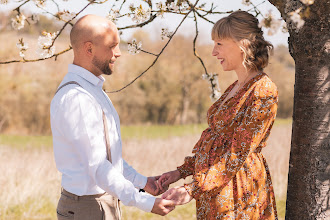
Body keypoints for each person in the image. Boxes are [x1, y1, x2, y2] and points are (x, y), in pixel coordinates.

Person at [50, 14, 175, 220]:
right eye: (112, 46)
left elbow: (107, 155)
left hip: (100, 203)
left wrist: (142, 182)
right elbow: (98, 166)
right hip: (88, 208)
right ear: (89, 49)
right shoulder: (77, 98)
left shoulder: (93, 89)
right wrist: (145, 202)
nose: (118, 53)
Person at [158, 11, 279, 219]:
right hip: (213, 184)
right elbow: (216, 142)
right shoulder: (235, 87)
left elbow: (237, 154)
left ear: (243, 45)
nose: (213, 52)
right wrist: (181, 172)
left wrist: (191, 190)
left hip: (238, 190)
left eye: (219, 44)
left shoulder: (262, 89)